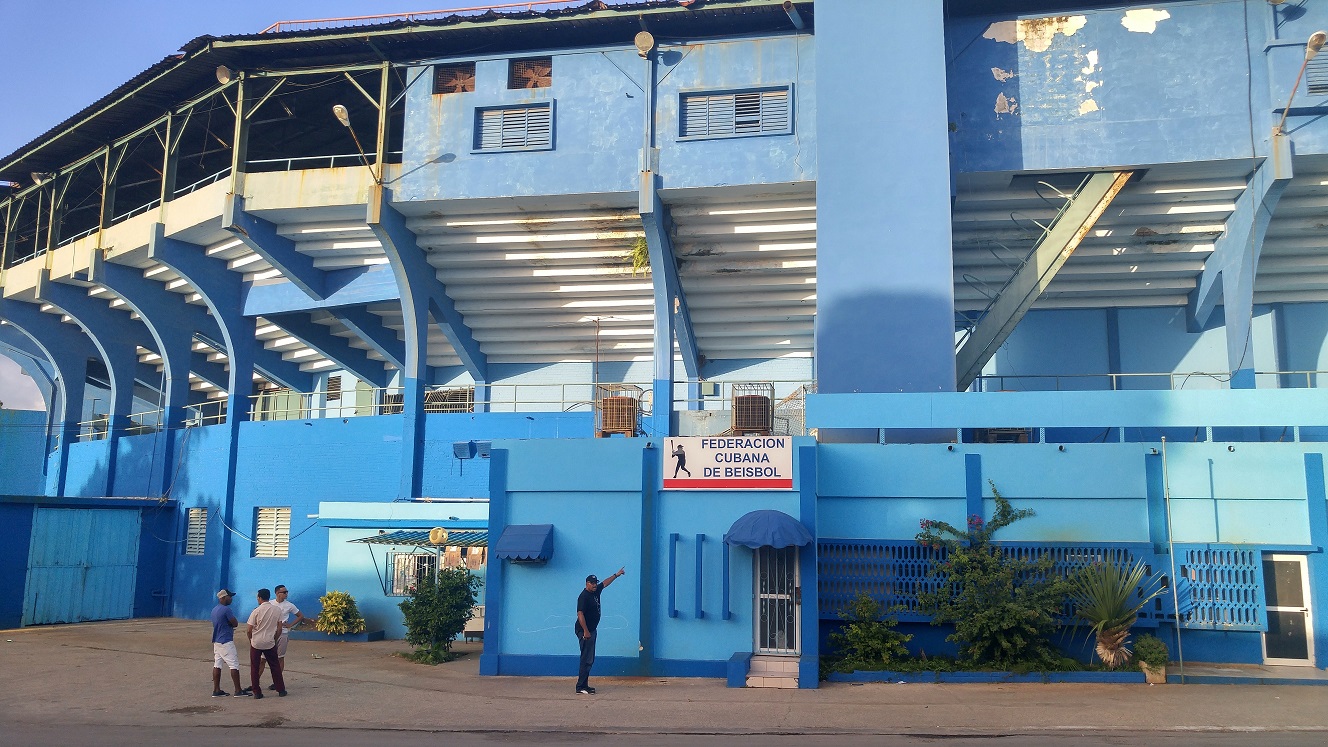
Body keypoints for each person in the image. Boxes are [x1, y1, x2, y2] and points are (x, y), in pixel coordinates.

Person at [574, 567, 624, 695]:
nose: (595, 585)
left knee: (589, 659)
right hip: (585, 631)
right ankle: (580, 687)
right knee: (586, 658)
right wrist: (585, 631)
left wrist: (616, 575)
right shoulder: (583, 596)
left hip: (592, 630)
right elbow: (580, 614)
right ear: (587, 584)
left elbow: (605, 583)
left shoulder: (595, 592)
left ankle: (585, 685)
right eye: (592, 583)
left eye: (596, 582)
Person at [256, 584, 311, 682]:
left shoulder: (289, 605)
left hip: (283, 634)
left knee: (280, 657)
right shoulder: (270, 603)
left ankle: (277, 681)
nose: (286, 594)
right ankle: (256, 681)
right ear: (277, 593)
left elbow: (300, 616)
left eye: (287, 592)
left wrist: (290, 625)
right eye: (284, 592)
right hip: (270, 633)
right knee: (262, 659)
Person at [245, 588, 287, 699]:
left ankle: (257, 692)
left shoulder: (256, 611)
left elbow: (249, 629)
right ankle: (281, 689)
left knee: (255, 667)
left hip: (256, 642)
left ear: (259, 598)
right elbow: (279, 628)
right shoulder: (277, 610)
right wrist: (275, 639)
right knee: (275, 666)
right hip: (269, 642)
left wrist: (251, 640)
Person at [210, 589, 251, 697]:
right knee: (234, 665)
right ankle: (238, 690)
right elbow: (235, 623)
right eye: (229, 597)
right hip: (226, 641)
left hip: (217, 640)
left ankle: (216, 689)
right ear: (223, 597)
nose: (231, 599)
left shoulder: (214, 609)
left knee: (217, 664)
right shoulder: (226, 610)